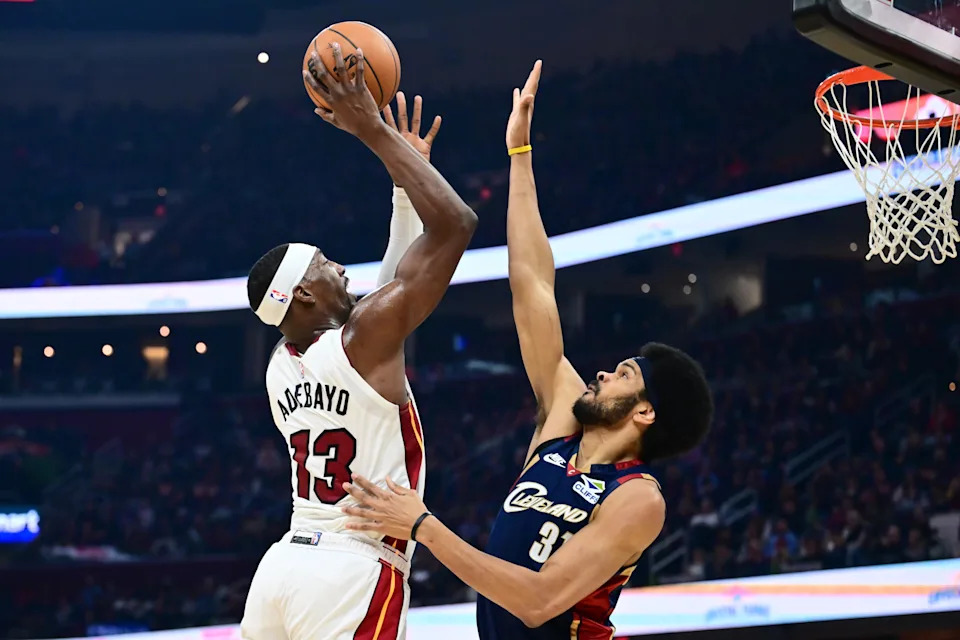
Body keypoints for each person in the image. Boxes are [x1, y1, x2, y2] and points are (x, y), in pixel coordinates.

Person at [341, 61, 713, 638]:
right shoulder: (561, 424)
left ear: (646, 412)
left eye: (623, 374)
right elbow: (532, 283)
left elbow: (538, 601)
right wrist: (519, 156)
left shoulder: (639, 498)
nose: (602, 373)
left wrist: (423, 526)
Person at [240, 44, 477, 640]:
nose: (339, 267)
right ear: (303, 297)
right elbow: (456, 225)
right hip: (351, 570)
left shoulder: (279, 365)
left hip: (281, 568)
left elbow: (385, 297)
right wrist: (375, 133)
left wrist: (403, 185)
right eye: (323, 264)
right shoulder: (361, 340)